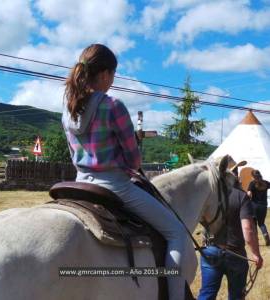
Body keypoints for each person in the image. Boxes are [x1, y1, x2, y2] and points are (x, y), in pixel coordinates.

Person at [62, 43, 188, 299]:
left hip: (78, 183)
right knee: (177, 232)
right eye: (113, 76)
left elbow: (73, 154)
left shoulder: (68, 108)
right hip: (114, 186)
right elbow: (133, 160)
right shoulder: (113, 105)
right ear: (106, 74)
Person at [198, 162, 263, 300]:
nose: (237, 174)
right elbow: (248, 229)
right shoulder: (241, 196)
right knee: (236, 296)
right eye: (235, 171)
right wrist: (256, 254)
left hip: (210, 250)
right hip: (236, 254)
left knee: (207, 294)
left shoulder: (208, 194)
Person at [247, 169, 270, 246]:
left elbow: (249, 194)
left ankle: (256, 240)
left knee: (254, 224)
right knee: (261, 223)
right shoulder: (266, 183)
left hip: (254, 206)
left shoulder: (252, 183)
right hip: (263, 206)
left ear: (253, 176)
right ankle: (265, 234)